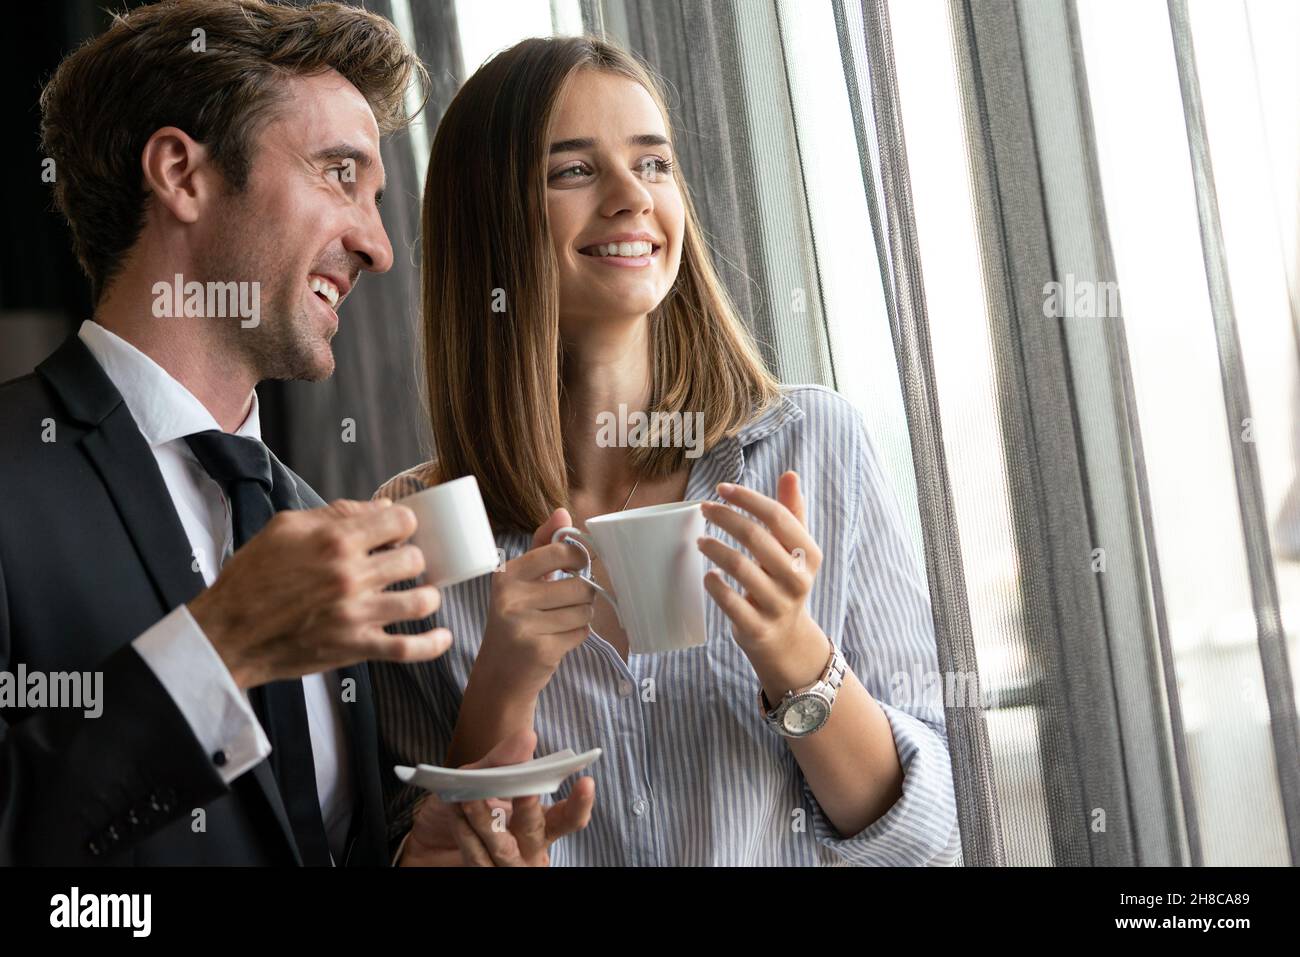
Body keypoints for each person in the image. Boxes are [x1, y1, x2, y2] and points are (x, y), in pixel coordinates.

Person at [0, 0, 590, 867]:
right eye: (339, 174)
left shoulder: (308, 515)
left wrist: (412, 858)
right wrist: (220, 646)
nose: (380, 246)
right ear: (182, 173)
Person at [374, 36, 960, 866]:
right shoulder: (412, 537)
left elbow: (933, 839)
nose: (630, 198)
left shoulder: (813, 443)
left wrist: (794, 652)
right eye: (573, 171)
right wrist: (500, 691)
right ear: (489, 222)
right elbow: (417, 852)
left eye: (653, 164)